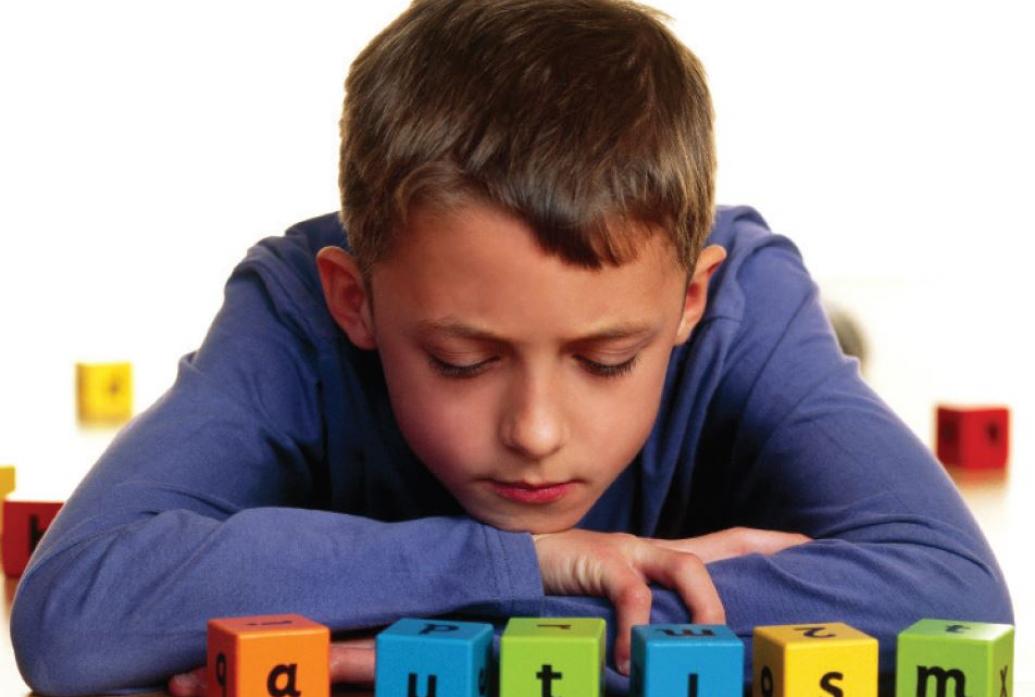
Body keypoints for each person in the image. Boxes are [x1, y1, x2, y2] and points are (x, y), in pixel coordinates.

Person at [11, 1, 1012, 695]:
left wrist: (475, 636)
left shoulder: (748, 298)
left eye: (609, 359)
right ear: (355, 301)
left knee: (830, 348)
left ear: (690, 300)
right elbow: (73, 614)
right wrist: (536, 562)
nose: (536, 431)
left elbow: (951, 593)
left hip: (777, 345)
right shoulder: (294, 311)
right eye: (461, 360)